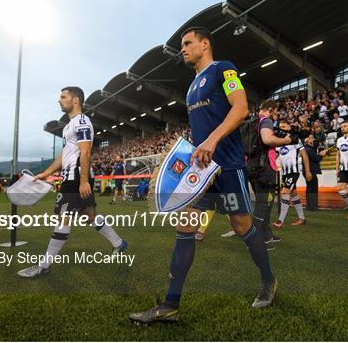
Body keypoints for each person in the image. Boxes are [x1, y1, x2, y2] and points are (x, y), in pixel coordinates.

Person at [129, 27, 277, 324]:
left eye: (187, 43)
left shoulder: (224, 69)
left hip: (229, 166)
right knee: (185, 229)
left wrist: (212, 140)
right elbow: (200, 128)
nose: (182, 49)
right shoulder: (191, 86)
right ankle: (171, 305)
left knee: (241, 227)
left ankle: (268, 280)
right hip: (200, 172)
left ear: (204, 44)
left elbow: (241, 108)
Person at [17, 87, 128, 278]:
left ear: (75, 100)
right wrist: (47, 172)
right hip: (73, 176)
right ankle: (119, 243)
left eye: (63, 97)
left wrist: (83, 181)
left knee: (62, 220)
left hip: (76, 178)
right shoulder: (69, 125)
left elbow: (85, 152)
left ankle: (44, 265)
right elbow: (64, 155)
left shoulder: (82, 122)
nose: (59, 100)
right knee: (88, 215)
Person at [250, 100, 293, 248]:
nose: (276, 115)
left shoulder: (251, 121)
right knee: (263, 203)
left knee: (266, 202)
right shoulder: (266, 121)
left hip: (252, 166)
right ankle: (254, 241)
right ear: (270, 109)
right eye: (275, 112)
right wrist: (285, 140)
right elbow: (267, 139)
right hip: (264, 166)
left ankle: (266, 234)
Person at [273, 120, 312, 228]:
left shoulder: (295, 140)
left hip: (293, 172)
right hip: (285, 173)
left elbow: (304, 155)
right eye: (280, 126)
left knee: (285, 192)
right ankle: (302, 218)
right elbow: (275, 156)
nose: (281, 128)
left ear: (290, 127)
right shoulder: (279, 142)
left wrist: (308, 171)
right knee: (294, 195)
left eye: (284, 126)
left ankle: (280, 221)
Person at [303, 135, 326, 211]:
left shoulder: (308, 149)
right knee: (313, 189)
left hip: (308, 171)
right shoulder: (308, 149)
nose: (313, 140)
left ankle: (309, 206)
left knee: (309, 188)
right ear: (308, 142)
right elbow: (316, 159)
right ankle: (313, 206)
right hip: (310, 171)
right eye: (311, 139)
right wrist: (321, 155)